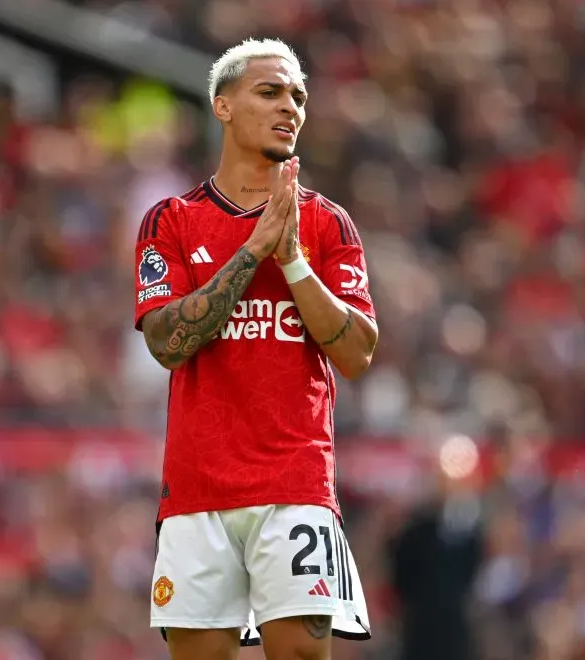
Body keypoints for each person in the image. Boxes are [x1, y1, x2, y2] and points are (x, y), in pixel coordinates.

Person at [132, 38, 377, 660]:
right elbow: (166, 342)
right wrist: (251, 251)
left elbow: (357, 353)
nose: (289, 107)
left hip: (296, 483)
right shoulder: (171, 220)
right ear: (222, 106)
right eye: (269, 92)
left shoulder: (327, 223)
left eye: (298, 96)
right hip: (198, 488)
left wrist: (291, 260)